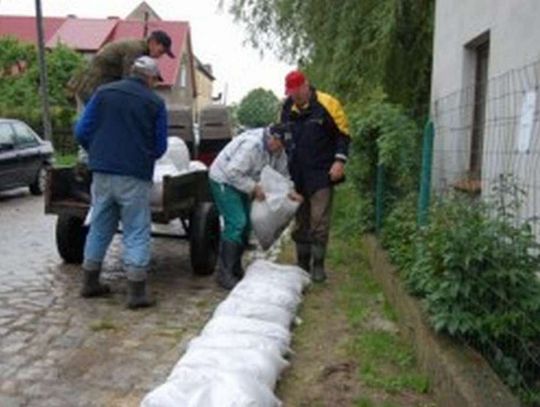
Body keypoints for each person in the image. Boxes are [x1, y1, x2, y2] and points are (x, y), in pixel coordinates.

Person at [74, 56, 168, 309]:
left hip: (102, 172)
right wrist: (142, 155)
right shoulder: (155, 103)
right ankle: (136, 293)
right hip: (134, 175)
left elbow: (81, 131)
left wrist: (97, 151)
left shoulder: (103, 93)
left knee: (100, 225)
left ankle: (89, 282)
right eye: (155, 81)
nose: (155, 85)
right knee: (136, 229)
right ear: (149, 78)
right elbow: (160, 147)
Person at [209, 124, 302, 289]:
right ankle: (224, 273)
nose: (280, 150)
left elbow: (282, 174)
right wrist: (253, 188)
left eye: (283, 147)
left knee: (247, 225)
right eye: (279, 145)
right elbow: (233, 172)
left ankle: (236, 268)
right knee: (237, 222)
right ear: (272, 138)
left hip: (243, 180)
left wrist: (290, 190)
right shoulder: (252, 146)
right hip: (224, 179)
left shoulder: (278, 150)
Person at [280, 70, 350, 283]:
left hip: (321, 172)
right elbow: (283, 135)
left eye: (297, 91)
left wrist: (339, 161)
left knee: (319, 220)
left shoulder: (327, 104)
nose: (294, 96)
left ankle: (318, 266)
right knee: (301, 220)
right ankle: (302, 262)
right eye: (290, 92)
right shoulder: (286, 108)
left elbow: (343, 135)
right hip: (297, 175)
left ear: (306, 85)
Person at [73, 30, 175, 104]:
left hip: (100, 85)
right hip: (91, 85)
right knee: (98, 120)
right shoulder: (135, 50)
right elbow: (129, 81)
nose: (160, 56)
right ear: (152, 43)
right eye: (160, 51)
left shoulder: (141, 51)